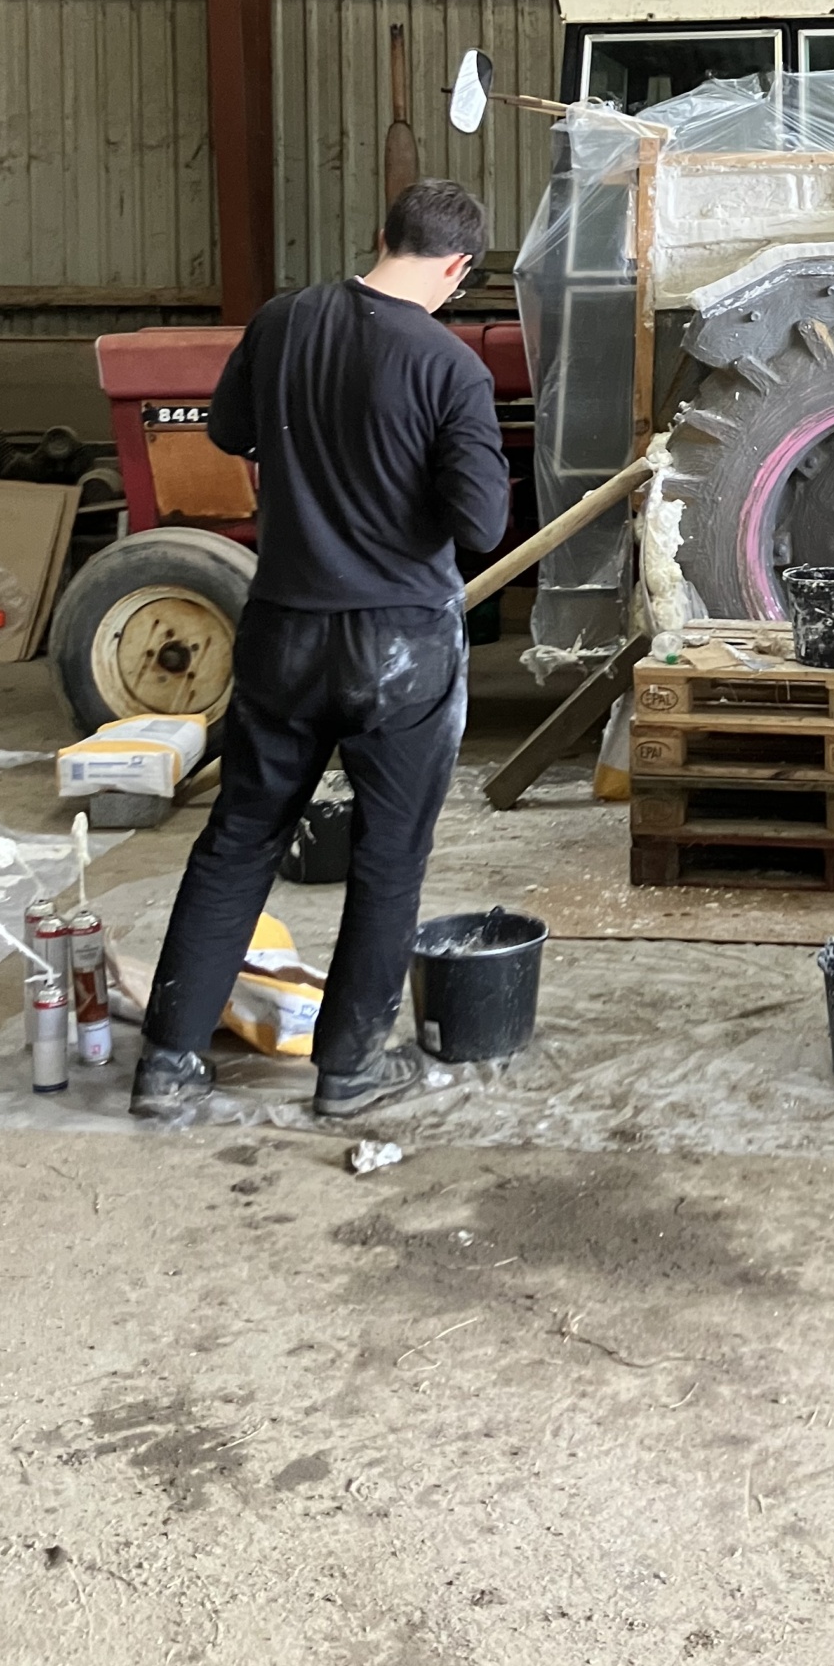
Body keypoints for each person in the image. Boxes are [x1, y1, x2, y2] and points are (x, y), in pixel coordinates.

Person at [131, 179, 511, 1120]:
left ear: (381, 235)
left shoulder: (283, 320)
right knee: (388, 858)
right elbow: (481, 524)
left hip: (284, 629)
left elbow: (229, 429)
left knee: (238, 840)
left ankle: (167, 1065)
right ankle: (348, 1073)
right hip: (400, 647)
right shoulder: (450, 366)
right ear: (460, 269)